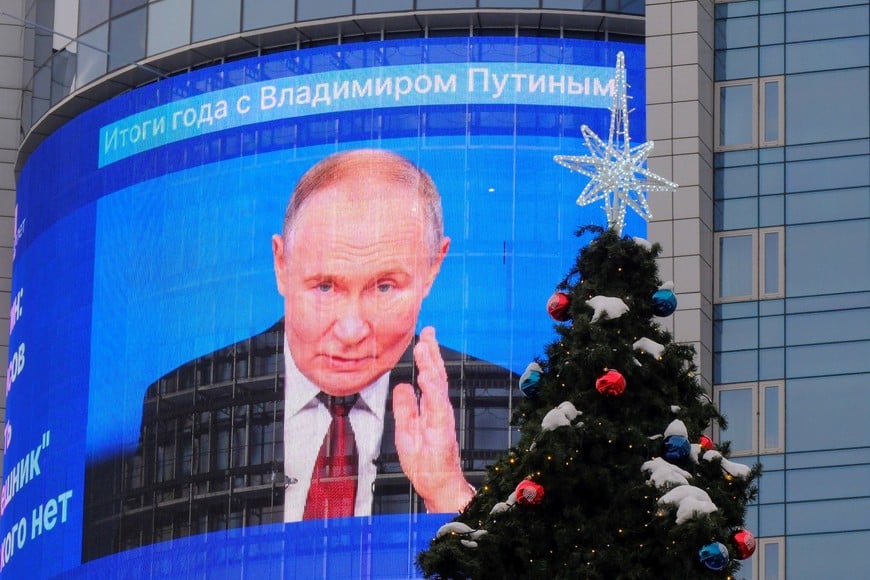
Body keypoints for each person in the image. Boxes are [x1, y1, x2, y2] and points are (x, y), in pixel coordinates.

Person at [271, 148, 473, 520]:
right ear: (281, 264)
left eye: (384, 287)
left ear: (433, 268)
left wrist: (447, 492)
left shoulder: (493, 398)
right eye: (325, 287)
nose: (351, 331)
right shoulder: (186, 401)